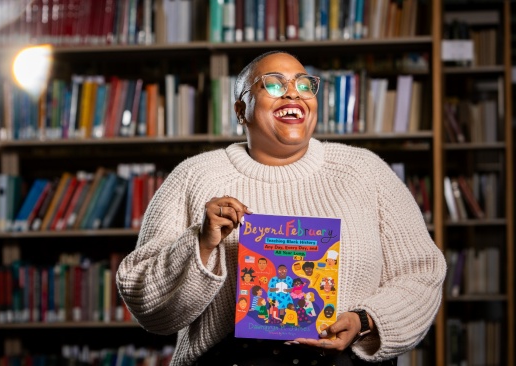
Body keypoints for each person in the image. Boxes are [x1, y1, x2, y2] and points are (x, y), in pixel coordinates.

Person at [116, 50, 447, 366]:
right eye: (274, 84)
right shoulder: (194, 176)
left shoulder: (366, 171)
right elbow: (146, 302)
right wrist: (200, 243)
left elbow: (422, 273)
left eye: (304, 85)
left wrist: (365, 319)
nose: (293, 94)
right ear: (240, 109)